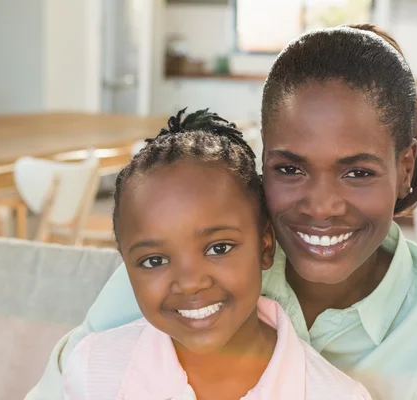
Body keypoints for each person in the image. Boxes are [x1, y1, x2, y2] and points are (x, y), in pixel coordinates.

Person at [28, 24, 417, 400]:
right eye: (290, 168)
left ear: (404, 168)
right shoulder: (182, 262)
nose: (321, 206)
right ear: (262, 162)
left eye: (357, 172)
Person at [62, 108, 371, 399]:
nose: (190, 282)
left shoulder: (335, 395)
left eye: (218, 248)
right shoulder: (93, 370)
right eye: (155, 260)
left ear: (265, 245)